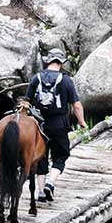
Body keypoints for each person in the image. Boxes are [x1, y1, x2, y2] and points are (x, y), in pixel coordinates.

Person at [26, 48, 86, 202]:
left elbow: (26, 101)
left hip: (39, 125)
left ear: (48, 61)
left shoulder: (36, 78)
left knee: (40, 157)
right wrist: (82, 122)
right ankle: (50, 183)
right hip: (59, 124)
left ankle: (40, 193)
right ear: (61, 63)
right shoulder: (66, 80)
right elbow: (77, 105)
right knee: (61, 156)